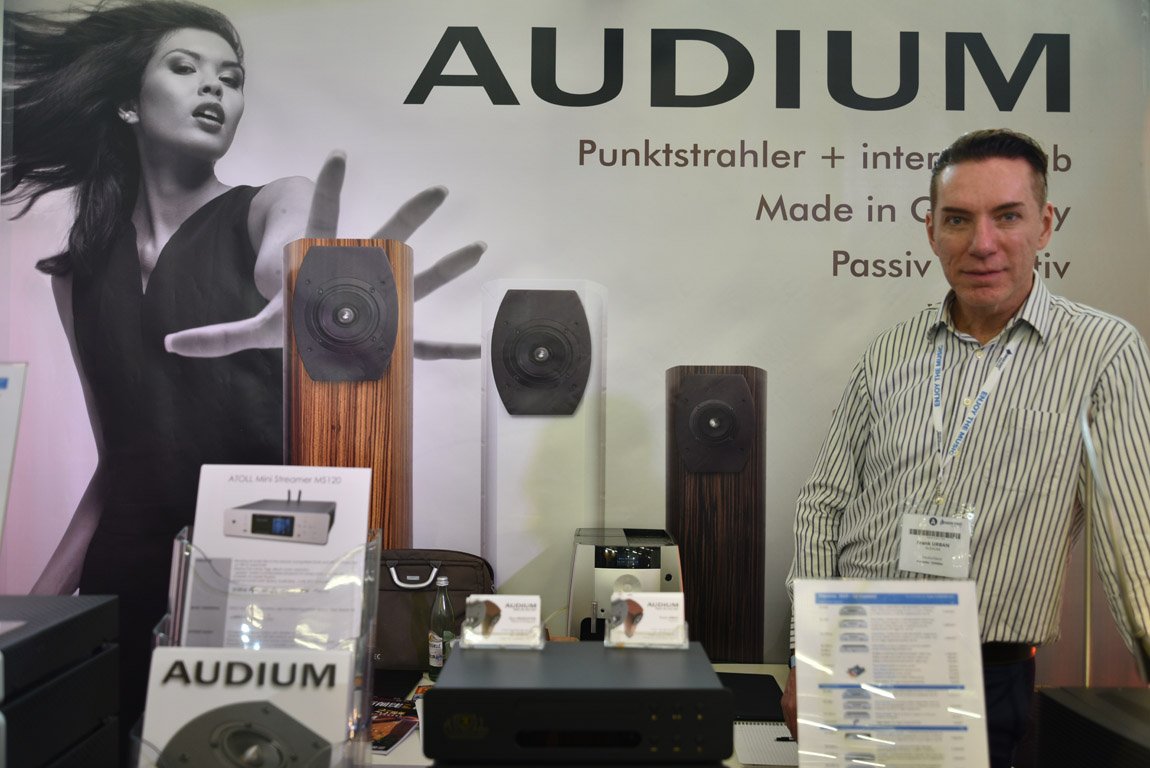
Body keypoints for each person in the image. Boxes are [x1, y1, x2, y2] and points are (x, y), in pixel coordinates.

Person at [2, 1, 482, 759]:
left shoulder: (270, 203)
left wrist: (307, 288)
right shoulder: (76, 274)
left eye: (231, 78)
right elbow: (117, 458)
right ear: (128, 103)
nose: (215, 89)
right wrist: (35, 610)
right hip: (124, 574)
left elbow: (284, 255)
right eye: (186, 68)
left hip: (265, 571)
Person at [782, 128, 1150, 768]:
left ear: (1045, 225)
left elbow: (1131, 542)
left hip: (982, 673)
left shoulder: (1103, 353)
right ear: (931, 232)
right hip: (854, 653)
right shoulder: (890, 352)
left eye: (1007, 216)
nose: (982, 244)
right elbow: (823, 504)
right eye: (958, 219)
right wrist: (805, 656)